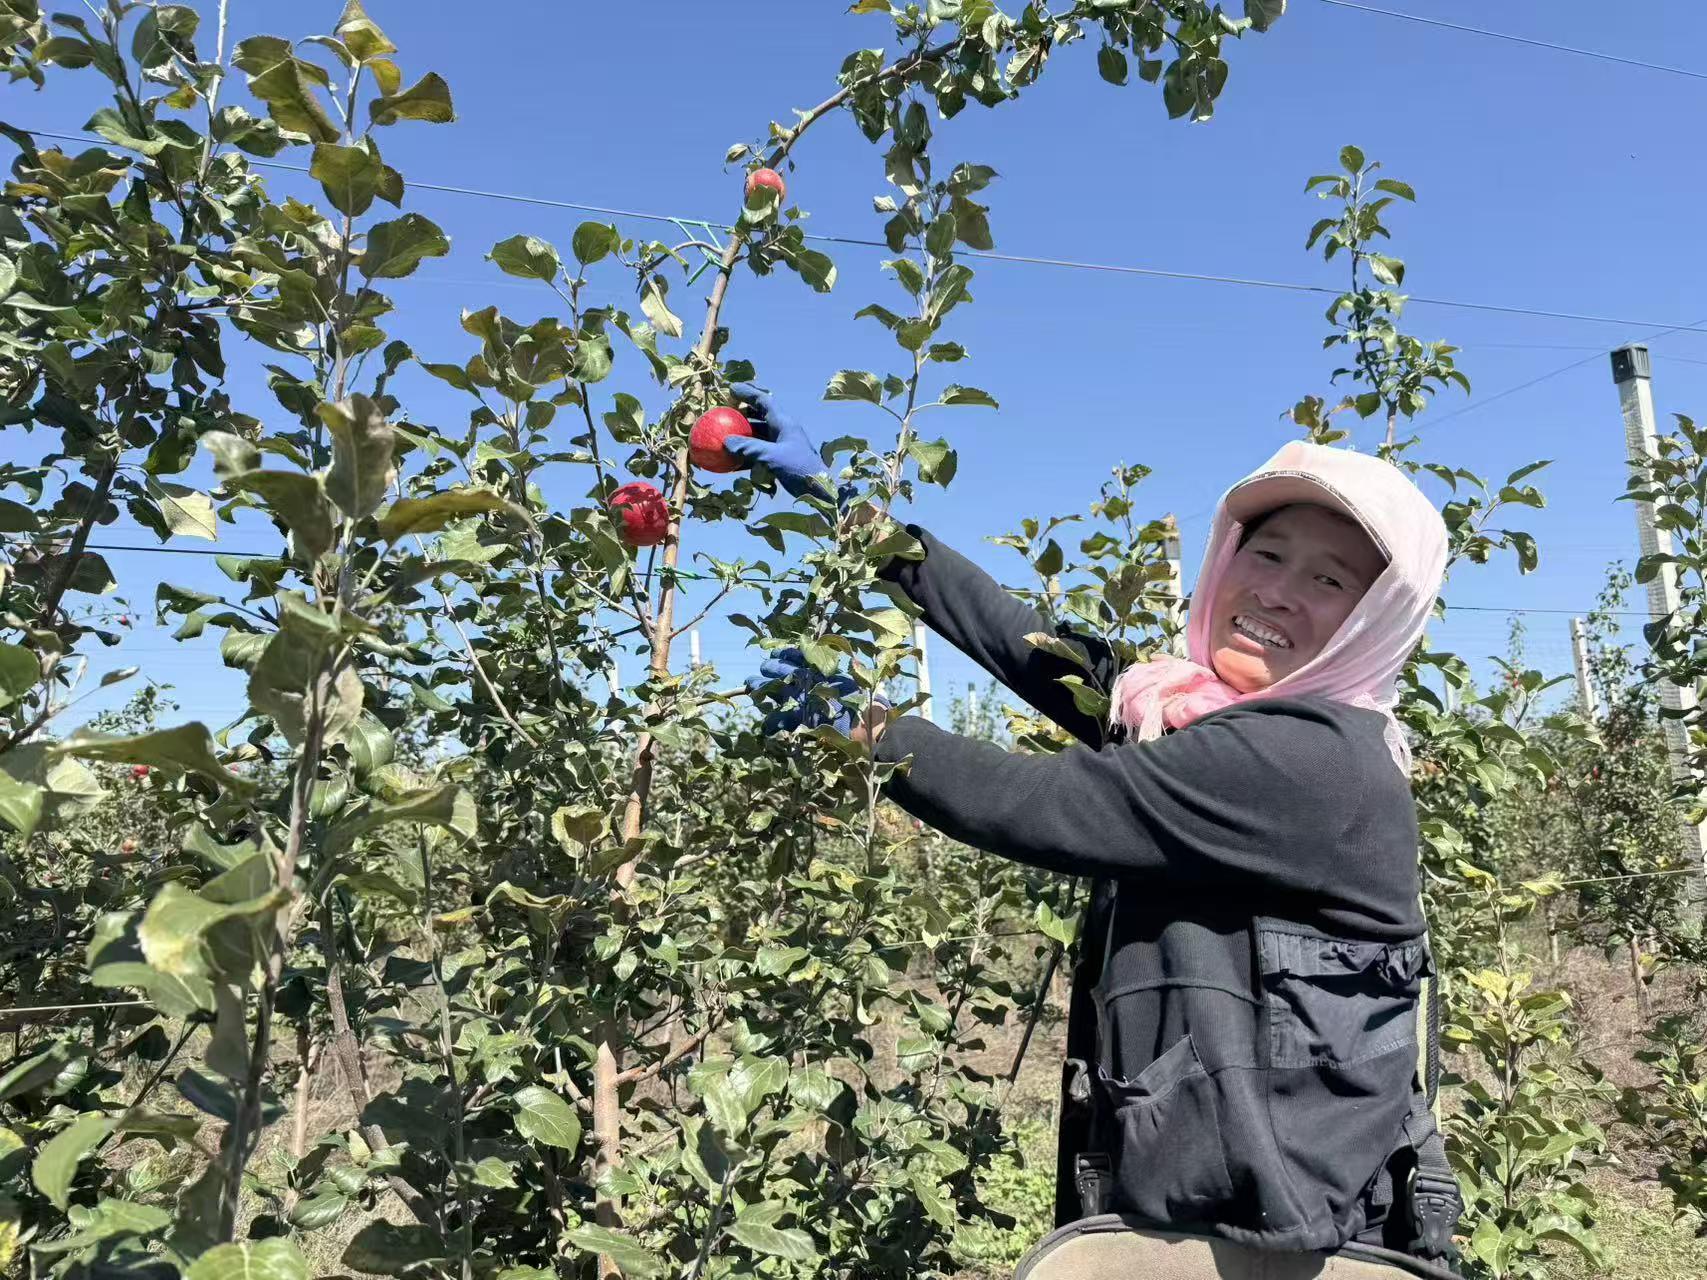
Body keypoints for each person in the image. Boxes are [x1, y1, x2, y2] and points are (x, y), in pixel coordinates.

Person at [726, 395, 1462, 1270]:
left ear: (1378, 620)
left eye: (1329, 581)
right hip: (1209, 1197)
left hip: (1282, 1238)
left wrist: (863, 728)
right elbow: (1035, 650)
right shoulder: (1189, 709)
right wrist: (851, 516)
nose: (1274, 590)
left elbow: (1034, 802)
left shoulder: (1310, 760)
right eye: (1265, 554)